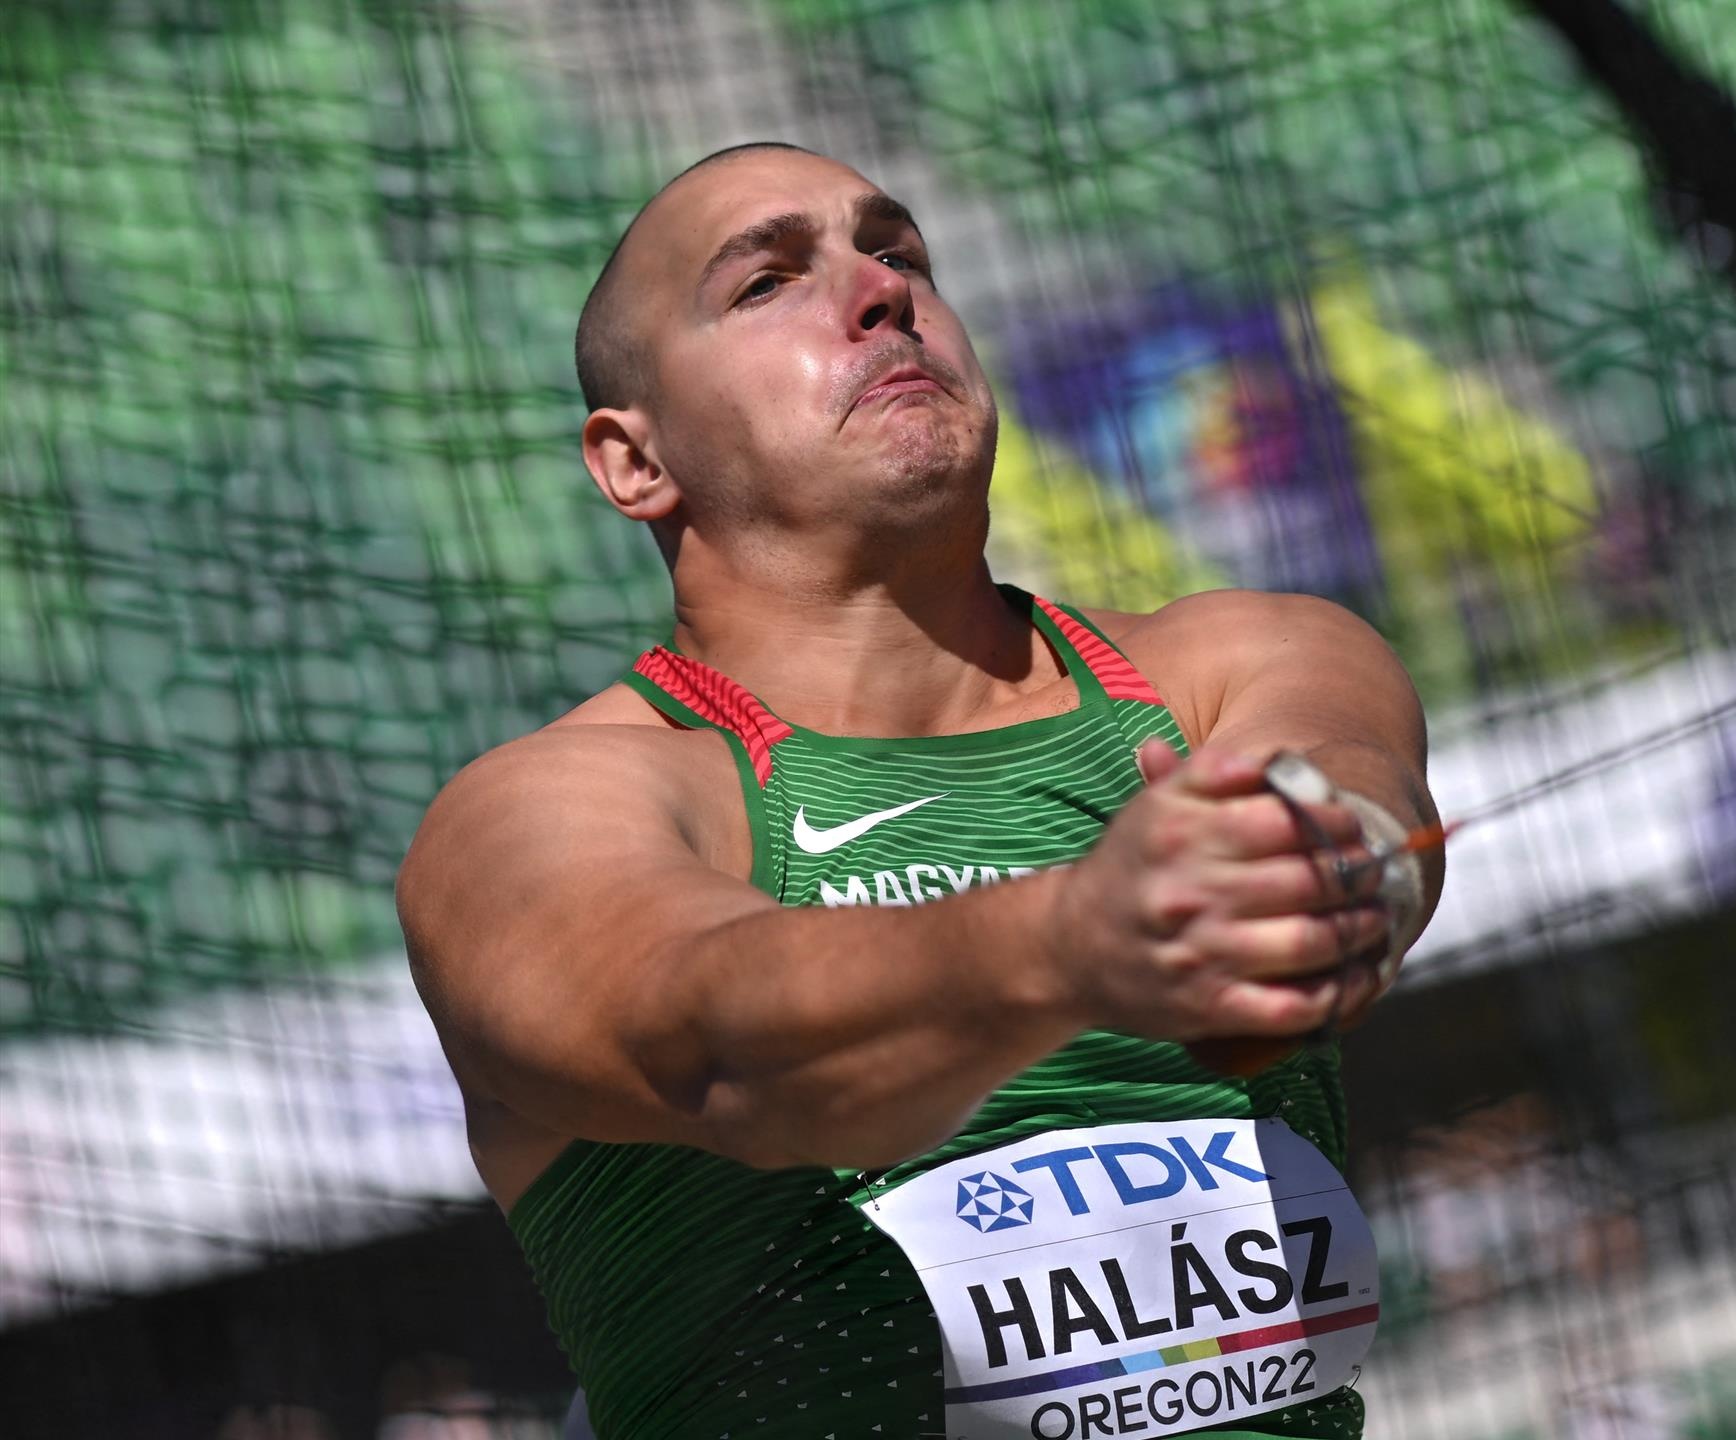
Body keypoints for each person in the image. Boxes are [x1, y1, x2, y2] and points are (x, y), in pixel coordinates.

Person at [398, 142, 1440, 1440]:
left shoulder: (1238, 664)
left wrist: (1327, 863)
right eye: (769, 281)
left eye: (898, 254)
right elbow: (724, 1051)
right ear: (633, 461)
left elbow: (1356, 793)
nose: (881, 293)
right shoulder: (534, 815)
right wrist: (1073, 940)